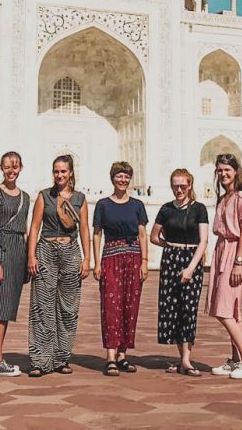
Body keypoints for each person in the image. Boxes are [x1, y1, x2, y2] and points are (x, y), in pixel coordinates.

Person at [26, 154, 91, 377]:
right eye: (56, 171)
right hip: (46, 250)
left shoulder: (80, 198)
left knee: (68, 308)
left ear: (71, 172)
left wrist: (87, 258)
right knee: (42, 306)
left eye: (63, 171)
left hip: (71, 251)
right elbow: (34, 227)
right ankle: (40, 360)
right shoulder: (45, 196)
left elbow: (84, 229)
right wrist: (31, 256)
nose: (60, 175)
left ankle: (61, 358)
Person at [150, 168, 209, 377]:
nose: (179, 189)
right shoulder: (166, 209)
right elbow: (153, 237)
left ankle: (186, 359)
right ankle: (182, 358)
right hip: (171, 260)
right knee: (173, 309)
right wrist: (170, 246)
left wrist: (191, 268)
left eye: (183, 185)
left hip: (191, 260)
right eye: (175, 186)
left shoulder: (199, 209)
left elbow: (203, 241)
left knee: (188, 309)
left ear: (190, 185)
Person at [93, 161, 149, 377]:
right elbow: (97, 234)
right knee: (110, 305)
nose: (123, 180)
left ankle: (123, 356)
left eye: (126, 176)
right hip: (111, 258)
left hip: (133, 257)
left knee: (129, 305)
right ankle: (110, 356)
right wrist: (96, 263)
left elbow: (142, 234)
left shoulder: (137, 205)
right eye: (119, 176)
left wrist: (145, 261)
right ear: (112, 178)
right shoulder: (103, 205)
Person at [208, 153, 242, 380]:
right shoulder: (224, 198)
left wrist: (238, 263)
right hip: (222, 250)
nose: (223, 174)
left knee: (224, 309)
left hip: (235, 252)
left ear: (236, 171)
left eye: (227, 170)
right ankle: (236, 360)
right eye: (219, 170)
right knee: (233, 310)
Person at [0, 151, 29, 377]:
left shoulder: (25, 197)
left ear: (21, 168)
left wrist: (29, 257)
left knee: (8, 307)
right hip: (1, 249)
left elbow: (26, 228)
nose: (11, 171)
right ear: (1, 169)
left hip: (18, 250)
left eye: (15, 166)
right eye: (7, 167)